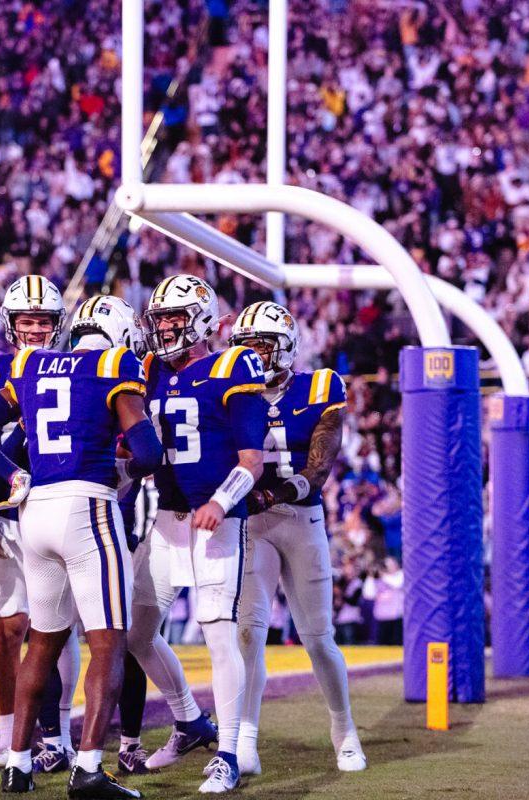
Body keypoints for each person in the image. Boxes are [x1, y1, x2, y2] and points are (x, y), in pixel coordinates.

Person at [0, 293, 163, 798]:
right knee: (108, 641)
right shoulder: (117, 363)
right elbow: (150, 452)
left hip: (36, 510)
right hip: (87, 505)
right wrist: (125, 470)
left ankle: (18, 764)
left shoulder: (32, 363)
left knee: (43, 638)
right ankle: (89, 767)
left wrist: (10, 474)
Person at [129, 275, 269, 793]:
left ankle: (229, 754)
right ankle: (189, 720)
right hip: (167, 519)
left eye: (175, 318)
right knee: (136, 633)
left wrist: (220, 499)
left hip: (218, 520)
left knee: (217, 634)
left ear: (204, 319)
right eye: (160, 319)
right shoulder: (149, 371)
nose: (165, 328)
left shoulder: (234, 365)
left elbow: (252, 461)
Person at [227, 301, 365, 775]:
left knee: (318, 637)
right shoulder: (231, 391)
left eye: (261, 347)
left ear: (284, 348)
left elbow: (319, 469)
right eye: (244, 348)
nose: (253, 357)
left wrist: (271, 496)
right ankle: (245, 743)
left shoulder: (320, 387)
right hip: (253, 524)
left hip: (300, 519)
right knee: (248, 634)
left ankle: (344, 730)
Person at [0, 275, 81, 772]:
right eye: (27, 321)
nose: (35, 329)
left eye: (43, 321)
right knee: (8, 627)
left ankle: (55, 731)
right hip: (5, 510)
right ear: (11, 324)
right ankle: (6, 733)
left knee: (55, 629)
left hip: (53, 506)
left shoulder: (77, 367)